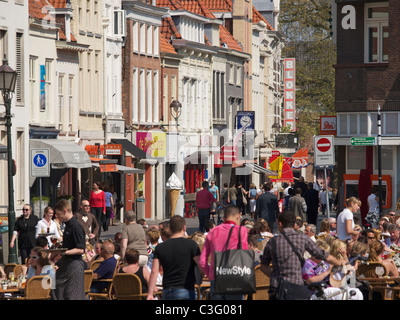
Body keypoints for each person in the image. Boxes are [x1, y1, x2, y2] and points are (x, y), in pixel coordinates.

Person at [260, 210, 346, 300]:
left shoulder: (273, 241)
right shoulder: (302, 238)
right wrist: (340, 262)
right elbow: (322, 255)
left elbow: (263, 266)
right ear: (294, 224)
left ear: (280, 224)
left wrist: (275, 276)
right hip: (296, 286)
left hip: (277, 287)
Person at [147, 216, 202, 300]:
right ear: (184, 227)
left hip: (168, 290)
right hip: (186, 289)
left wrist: (150, 294)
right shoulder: (192, 245)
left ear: (170, 229)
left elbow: (154, 271)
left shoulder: (160, 247)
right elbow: (201, 265)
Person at [199, 205, 249, 300]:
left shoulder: (212, 232)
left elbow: (202, 261)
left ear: (224, 217)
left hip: (216, 278)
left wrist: (210, 275)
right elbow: (244, 254)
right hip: (235, 277)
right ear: (238, 216)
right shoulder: (241, 230)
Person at [53, 199, 86, 300]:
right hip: (67, 262)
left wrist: (64, 252)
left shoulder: (75, 226)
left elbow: (81, 249)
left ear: (64, 211)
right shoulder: (67, 225)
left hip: (74, 263)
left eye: (58, 214)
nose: (56, 216)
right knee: (55, 286)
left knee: (72, 294)